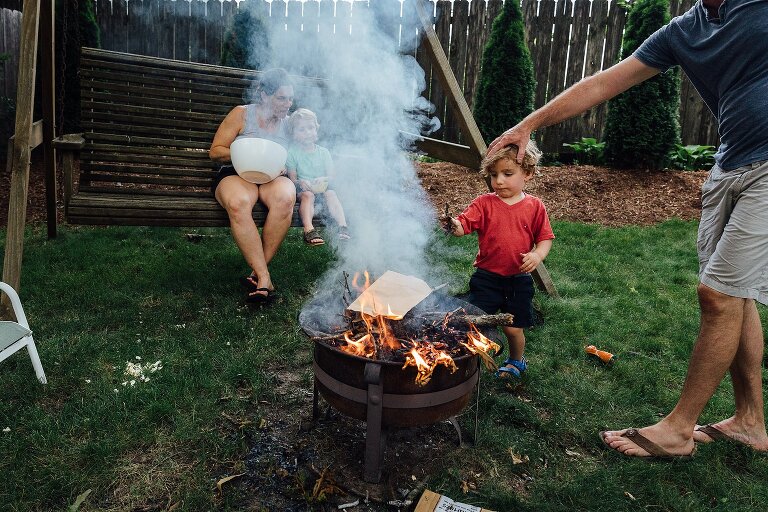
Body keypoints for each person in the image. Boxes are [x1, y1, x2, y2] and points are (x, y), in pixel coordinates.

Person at [489, 0, 768, 457]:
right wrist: (530, 124)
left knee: (718, 294)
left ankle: (678, 430)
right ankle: (750, 421)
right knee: (736, 294)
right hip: (730, 165)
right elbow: (604, 82)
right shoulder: (684, 31)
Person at [441, 142, 554, 379]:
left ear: (528, 174)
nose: (499, 181)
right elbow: (464, 225)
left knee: (512, 327)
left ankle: (516, 361)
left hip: (518, 279)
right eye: (494, 175)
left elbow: (545, 239)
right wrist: (455, 225)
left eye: (507, 174)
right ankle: (469, 363)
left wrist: (536, 255)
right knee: (476, 322)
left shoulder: (535, 207)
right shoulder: (484, 203)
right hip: (486, 277)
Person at [209, 68, 297, 304]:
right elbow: (216, 151)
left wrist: (285, 166)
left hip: (272, 177)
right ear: (264, 95)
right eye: (281, 98)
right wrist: (244, 157)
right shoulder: (241, 114)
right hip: (237, 173)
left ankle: (258, 273)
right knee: (237, 203)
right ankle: (265, 277)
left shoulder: (289, 124)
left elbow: (299, 156)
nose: (288, 104)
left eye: (290, 98)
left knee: (286, 198)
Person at [285, 108, 351, 245]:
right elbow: (292, 178)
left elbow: (332, 175)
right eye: (301, 129)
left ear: (316, 129)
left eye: (310, 128)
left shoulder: (324, 152)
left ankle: (342, 227)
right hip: (304, 191)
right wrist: (300, 182)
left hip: (322, 189)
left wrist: (324, 179)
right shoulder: (292, 153)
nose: (307, 132)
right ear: (294, 134)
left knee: (331, 193)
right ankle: (309, 230)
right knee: (308, 196)